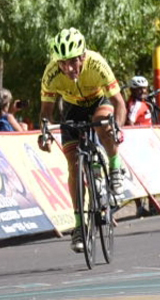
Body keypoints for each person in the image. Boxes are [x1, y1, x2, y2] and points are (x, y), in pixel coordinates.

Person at [36, 27, 126, 253]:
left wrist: (118, 129)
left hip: (99, 102)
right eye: (63, 63)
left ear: (83, 57)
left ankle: (114, 165)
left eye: (73, 62)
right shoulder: (51, 73)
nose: (69, 68)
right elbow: (46, 111)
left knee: (103, 123)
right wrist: (45, 133)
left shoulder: (97, 64)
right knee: (73, 164)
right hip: (72, 108)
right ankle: (79, 226)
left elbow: (119, 103)